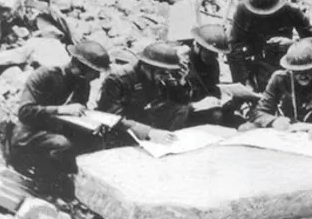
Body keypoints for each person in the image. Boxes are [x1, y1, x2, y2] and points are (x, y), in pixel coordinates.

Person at [10, 41, 111, 185]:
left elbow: (78, 113)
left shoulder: (82, 84)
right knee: (61, 144)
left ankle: (73, 181)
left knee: (96, 141)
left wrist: (93, 124)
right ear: (81, 67)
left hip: (56, 129)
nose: (97, 77)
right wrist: (61, 110)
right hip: (29, 133)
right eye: (95, 72)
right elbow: (25, 112)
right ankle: (43, 182)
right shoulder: (44, 75)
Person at [228, 0, 312, 92]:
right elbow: (233, 47)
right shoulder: (243, 11)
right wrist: (243, 82)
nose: (264, 17)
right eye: (259, 14)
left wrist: (294, 45)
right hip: (256, 63)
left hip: (286, 62)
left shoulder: (291, 10)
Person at [97, 42, 196, 136]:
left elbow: (182, 101)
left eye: (169, 72)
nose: (166, 76)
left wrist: (181, 82)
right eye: (162, 72)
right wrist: (148, 132)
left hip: (143, 117)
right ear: (146, 67)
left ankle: (170, 140)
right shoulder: (118, 79)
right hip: (123, 125)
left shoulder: (160, 75)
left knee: (183, 108)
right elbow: (111, 118)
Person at [173, 24, 246, 127]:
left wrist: (220, 102)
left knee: (239, 121)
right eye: (209, 52)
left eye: (216, 54)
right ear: (198, 46)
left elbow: (213, 91)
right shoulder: (181, 61)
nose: (213, 57)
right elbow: (171, 101)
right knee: (218, 117)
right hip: (182, 113)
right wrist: (193, 105)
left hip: (205, 110)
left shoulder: (212, 64)